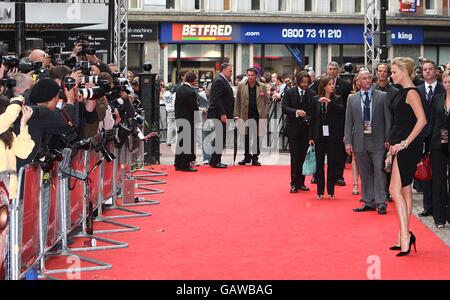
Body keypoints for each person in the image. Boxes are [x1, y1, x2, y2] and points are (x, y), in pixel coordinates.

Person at [386, 57, 427, 256]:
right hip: (399, 145)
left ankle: (405, 235)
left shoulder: (412, 93)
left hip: (407, 146)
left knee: (394, 190)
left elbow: (422, 121)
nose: (391, 75)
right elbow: (399, 123)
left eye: (394, 72)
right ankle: (403, 234)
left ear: (404, 71)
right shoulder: (401, 92)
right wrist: (393, 146)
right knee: (405, 190)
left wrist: (405, 143)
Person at [345, 70, 392, 215]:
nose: (368, 80)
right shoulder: (352, 99)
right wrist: (348, 141)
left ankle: (381, 201)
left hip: (378, 140)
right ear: (358, 82)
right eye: (364, 78)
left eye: (369, 77)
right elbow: (348, 122)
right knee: (365, 172)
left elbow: (388, 119)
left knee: (379, 170)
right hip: (360, 140)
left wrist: (388, 139)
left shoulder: (382, 96)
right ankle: (369, 201)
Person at [311, 61, 352, 187]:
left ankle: (338, 176)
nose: (332, 71)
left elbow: (345, 107)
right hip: (321, 124)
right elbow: (313, 102)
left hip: (337, 123)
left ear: (338, 70)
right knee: (319, 153)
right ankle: (317, 176)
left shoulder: (345, 85)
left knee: (338, 153)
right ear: (327, 69)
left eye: (335, 69)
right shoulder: (318, 83)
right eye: (330, 68)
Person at [416, 60, 445, 218]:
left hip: (440, 137)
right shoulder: (417, 90)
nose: (427, 71)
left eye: (430, 69)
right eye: (425, 69)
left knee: (440, 174)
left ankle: (441, 205)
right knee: (425, 171)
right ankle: (428, 206)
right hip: (422, 136)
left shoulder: (443, 89)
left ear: (436, 71)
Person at [309, 76, 345, 199]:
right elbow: (312, 119)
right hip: (319, 136)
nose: (332, 86)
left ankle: (331, 191)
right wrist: (311, 137)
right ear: (324, 86)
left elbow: (342, 112)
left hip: (333, 136)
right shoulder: (315, 99)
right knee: (319, 165)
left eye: (332, 84)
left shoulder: (337, 99)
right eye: (329, 84)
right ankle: (319, 191)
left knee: (332, 164)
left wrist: (330, 103)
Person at [282, 71, 315, 193]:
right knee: (295, 157)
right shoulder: (289, 93)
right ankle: (294, 183)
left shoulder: (312, 94)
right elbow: (284, 108)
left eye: (307, 82)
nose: (305, 84)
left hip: (306, 130)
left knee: (303, 156)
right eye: (303, 82)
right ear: (298, 81)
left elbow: (313, 111)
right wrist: (296, 112)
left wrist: (307, 118)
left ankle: (302, 182)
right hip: (293, 129)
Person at [373, 63, 399, 201]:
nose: (382, 73)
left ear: (388, 74)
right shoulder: (371, 90)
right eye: (380, 71)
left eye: (385, 71)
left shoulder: (394, 92)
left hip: (390, 132)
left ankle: (389, 191)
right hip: (374, 132)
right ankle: (376, 192)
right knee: (375, 164)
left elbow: (395, 115)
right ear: (376, 73)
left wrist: (391, 136)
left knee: (388, 163)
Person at [234, 67, 269, 167]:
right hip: (245, 115)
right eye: (248, 75)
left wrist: (265, 112)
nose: (250, 77)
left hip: (258, 116)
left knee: (257, 137)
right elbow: (237, 102)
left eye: (252, 75)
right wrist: (236, 115)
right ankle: (247, 157)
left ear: (256, 76)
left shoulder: (262, 86)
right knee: (246, 137)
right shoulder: (241, 85)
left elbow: (267, 101)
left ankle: (255, 158)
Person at [429, 70, 450, 228]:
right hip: (438, 145)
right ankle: (439, 217)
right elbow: (432, 122)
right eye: (446, 82)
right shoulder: (437, 99)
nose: (448, 86)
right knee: (438, 181)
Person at [207, 63, 234, 168]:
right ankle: (215, 160)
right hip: (219, 115)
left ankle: (214, 159)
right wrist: (223, 113)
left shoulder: (222, 80)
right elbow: (216, 99)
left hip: (222, 114)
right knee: (220, 138)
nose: (231, 73)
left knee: (220, 138)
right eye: (230, 71)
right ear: (223, 70)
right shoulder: (219, 80)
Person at [174, 71, 199, 172]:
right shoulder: (191, 92)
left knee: (180, 141)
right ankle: (185, 164)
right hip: (188, 119)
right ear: (193, 81)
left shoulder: (179, 89)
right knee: (188, 142)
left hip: (179, 118)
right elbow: (194, 107)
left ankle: (178, 163)